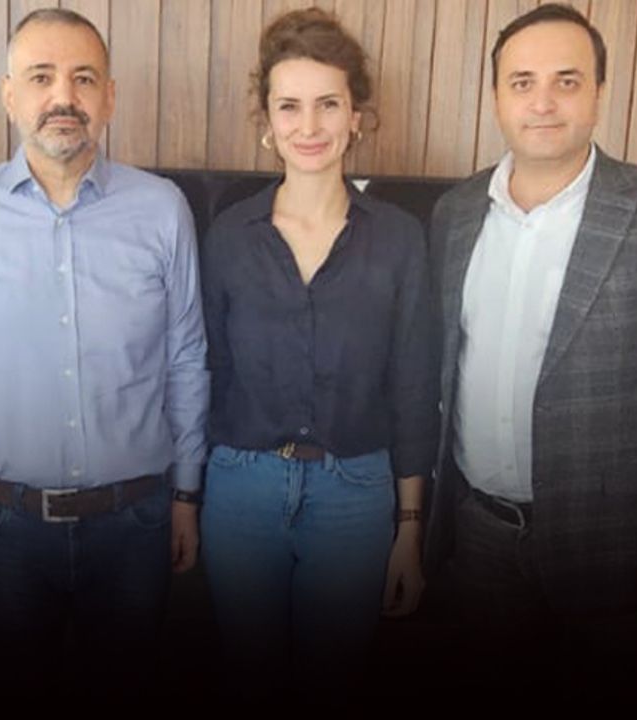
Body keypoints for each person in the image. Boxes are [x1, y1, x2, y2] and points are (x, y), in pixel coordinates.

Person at [425, 1, 637, 688]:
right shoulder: (455, 213)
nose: (542, 102)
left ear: (599, 92)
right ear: (496, 97)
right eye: (522, 82)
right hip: (479, 541)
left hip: (618, 554)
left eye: (566, 81)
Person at [0, 8, 208, 699]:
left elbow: (186, 359)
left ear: (109, 97)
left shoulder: (163, 209)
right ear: (10, 95)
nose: (63, 97)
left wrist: (186, 496)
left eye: (83, 78)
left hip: (135, 524)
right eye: (41, 77)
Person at [198, 8, 438, 700]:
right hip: (240, 487)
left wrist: (410, 529)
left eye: (328, 104)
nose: (309, 126)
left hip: (356, 492)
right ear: (267, 122)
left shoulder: (399, 239)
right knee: (248, 678)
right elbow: (208, 370)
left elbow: (414, 387)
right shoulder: (229, 236)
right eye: (290, 106)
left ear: (356, 116)